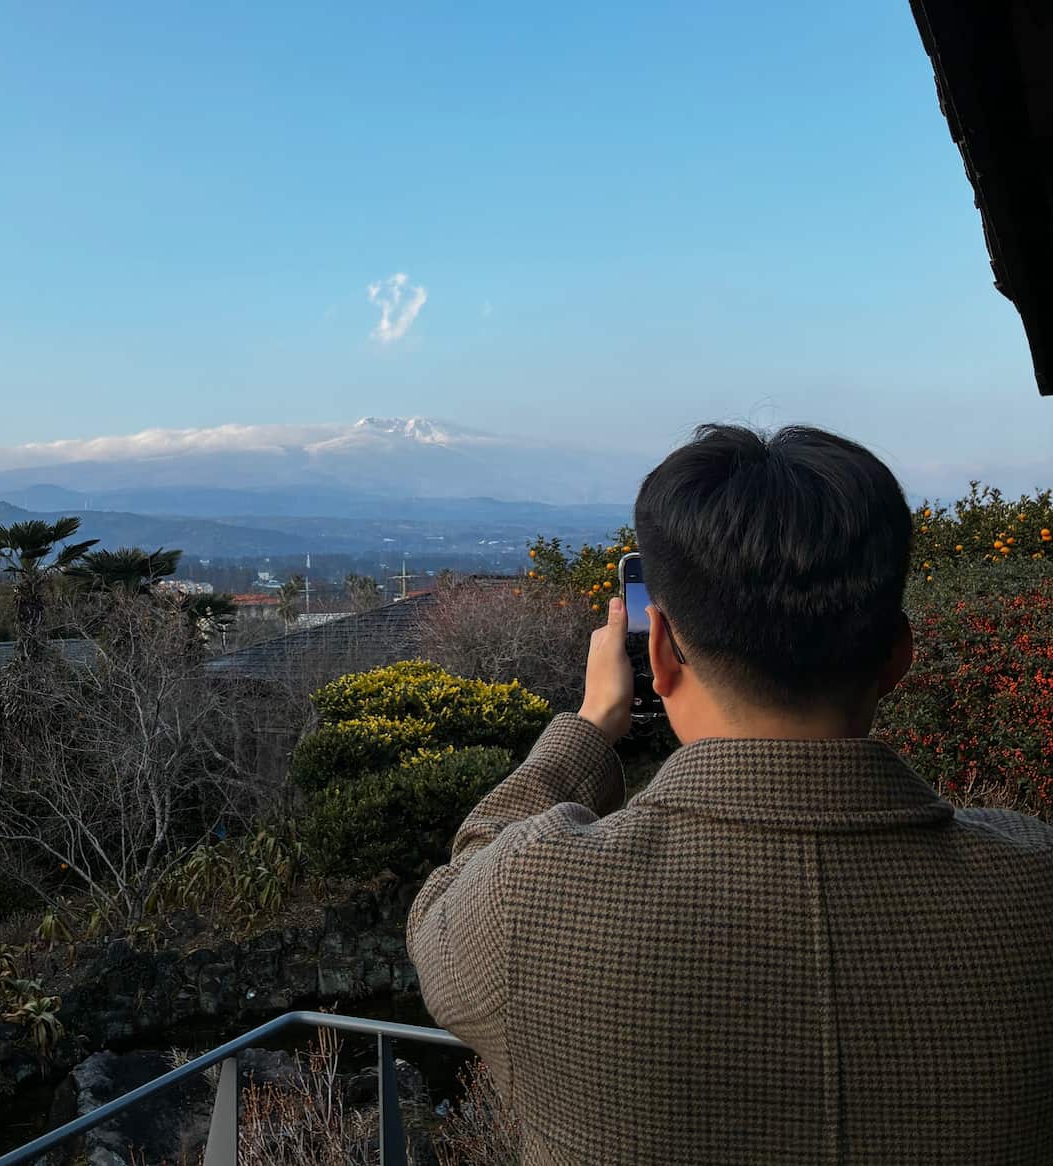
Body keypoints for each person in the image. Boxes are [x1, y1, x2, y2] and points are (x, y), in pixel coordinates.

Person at [407, 424, 1053, 1165]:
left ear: (657, 651)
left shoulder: (533, 899)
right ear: (897, 656)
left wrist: (586, 729)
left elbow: (443, 907)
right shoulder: (1036, 883)